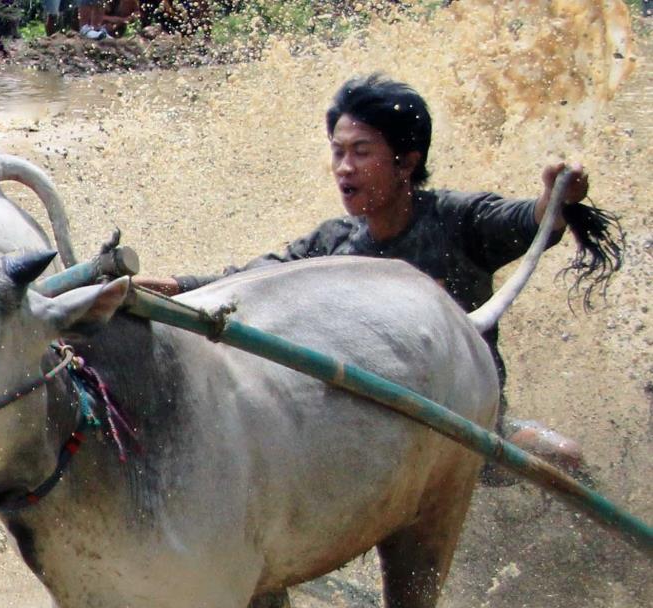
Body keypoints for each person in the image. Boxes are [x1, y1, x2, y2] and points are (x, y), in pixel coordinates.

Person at [134, 73, 622, 481]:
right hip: (379, 445)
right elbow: (243, 281)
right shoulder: (332, 246)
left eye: (361, 152)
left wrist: (556, 194)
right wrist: (154, 290)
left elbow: (532, 221)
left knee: (565, 457)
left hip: (470, 431)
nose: (344, 168)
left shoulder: (458, 220)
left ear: (407, 162)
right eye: (338, 151)